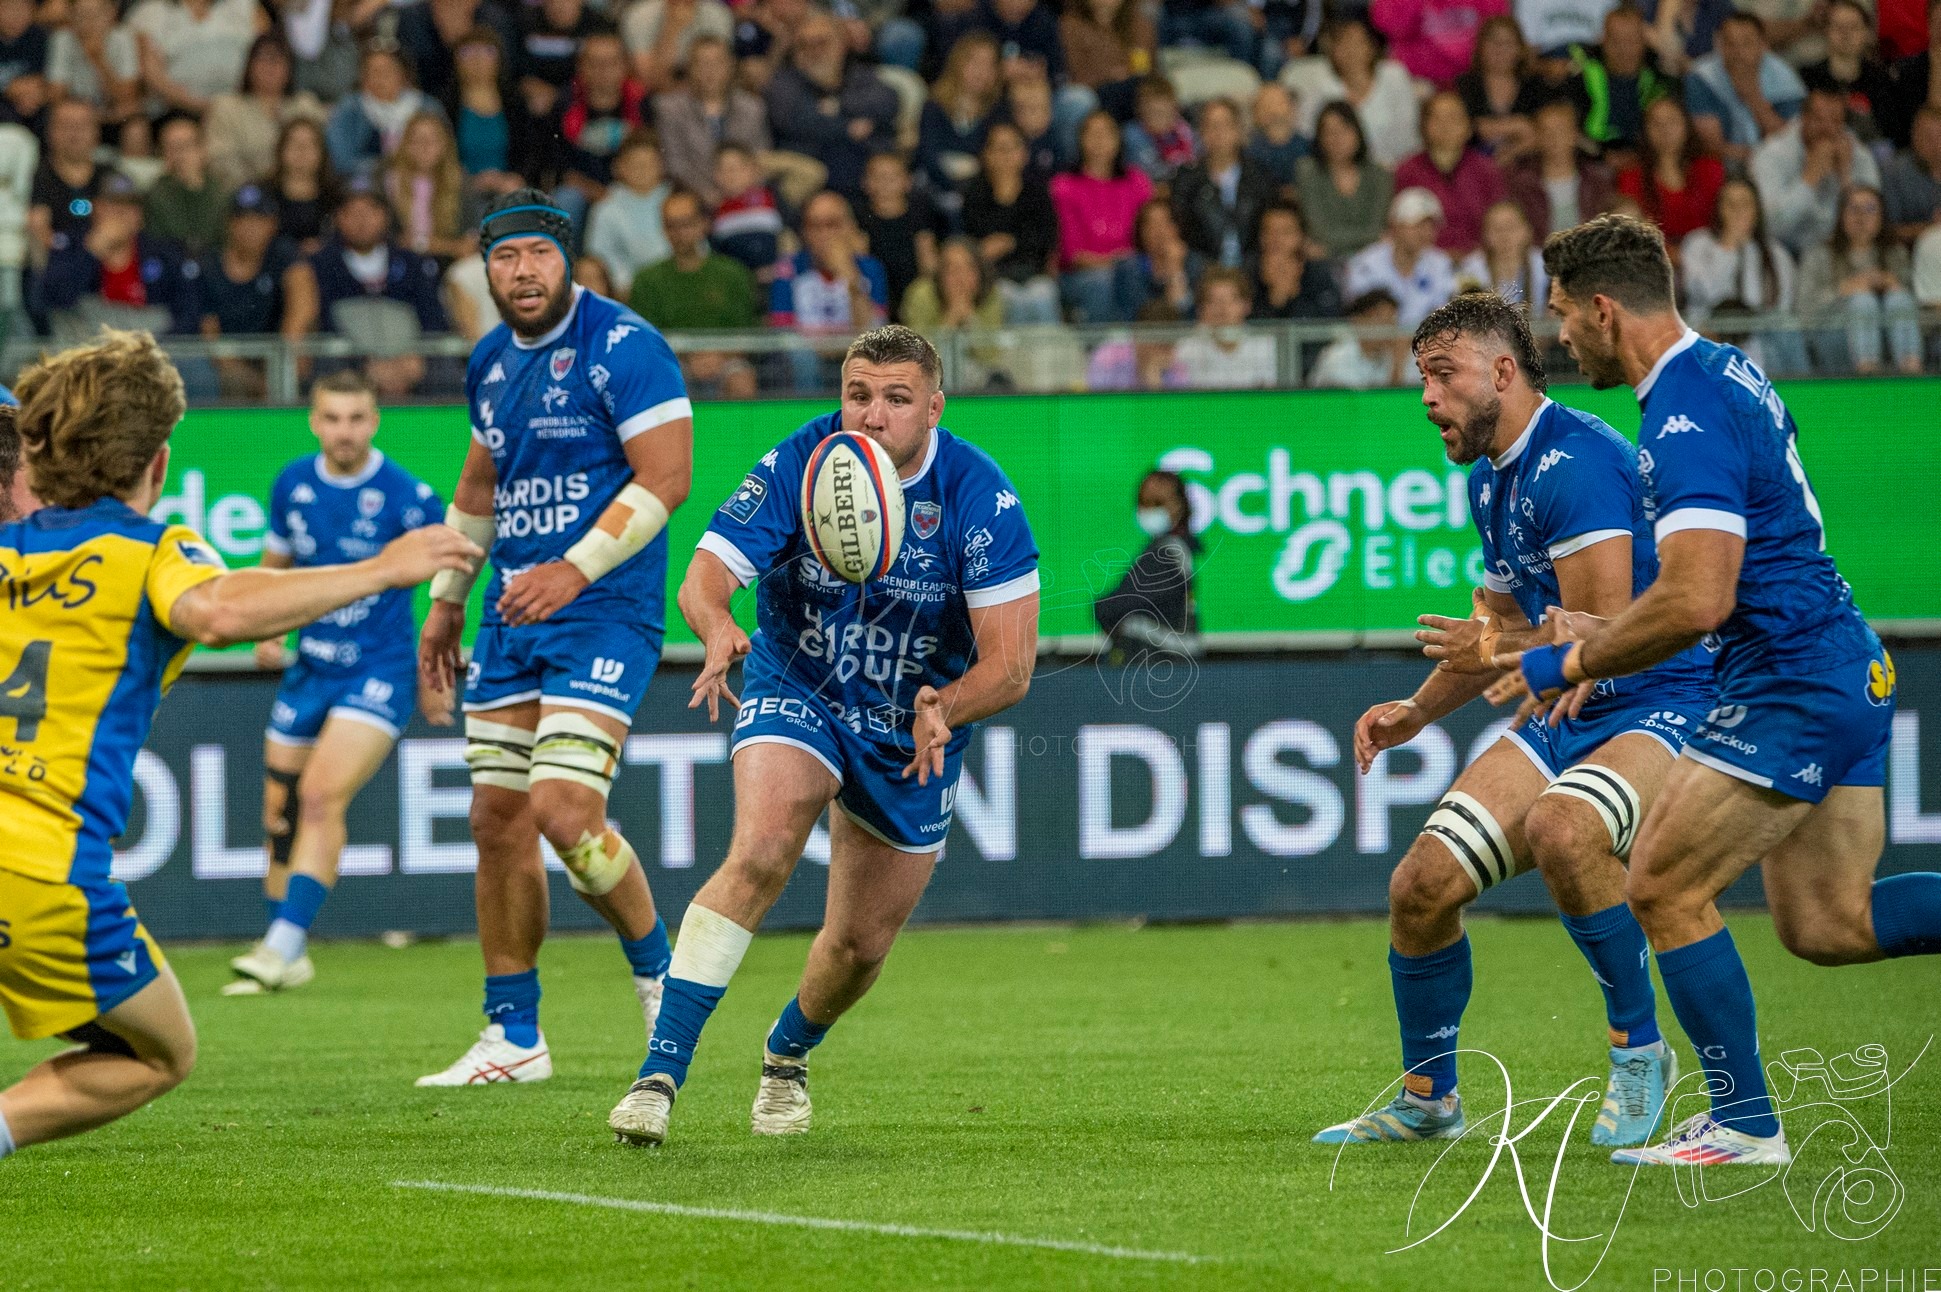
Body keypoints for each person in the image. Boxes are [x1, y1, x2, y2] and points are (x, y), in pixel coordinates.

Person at [1505, 213, 1941, 1167]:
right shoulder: (1720, 370)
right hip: (1838, 662)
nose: (1558, 335)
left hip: (1792, 678)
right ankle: (1741, 1121)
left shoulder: (1682, 410)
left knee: (1661, 883)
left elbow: (1697, 598)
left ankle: (1743, 1123)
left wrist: (1572, 660)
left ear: (1603, 309)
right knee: (1830, 922)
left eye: (1562, 313)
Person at [0, 329, 475, 1161]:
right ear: (159, 463)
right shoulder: (155, 551)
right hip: (39, 867)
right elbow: (220, 610)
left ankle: (284, 939)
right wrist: (382, 568)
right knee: (159, 1052)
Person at [606, 325, 1040, 1147]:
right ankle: (657, 1077)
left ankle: (786, 1056)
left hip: (910, 723)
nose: (871, 415)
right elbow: (705, 576)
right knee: (763, 847)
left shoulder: (980, 497)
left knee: (859, 946)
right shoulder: (801, 461)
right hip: (799, 681)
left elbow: (1012, 667)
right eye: (857, 395)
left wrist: (944, 707)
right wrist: (715, 625)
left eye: (896, 399)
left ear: (934, 408)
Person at [1316, 290, 1710, 1147]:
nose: (1427, 396)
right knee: (1420, 887)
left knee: (1565, 831)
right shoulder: (1489, 478)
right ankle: (1428, 1101)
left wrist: (1496, 645)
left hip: (1660, 699)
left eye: (1442, 374)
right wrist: (1416, 712)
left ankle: (1639, 1051)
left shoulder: (1576, 462)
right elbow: (1497, 628)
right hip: (1567, 707)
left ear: (1501, 372)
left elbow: (1603, 636)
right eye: (1421, 378)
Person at [416, 190, 694, 1086]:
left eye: (538, 253)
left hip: (603, 610)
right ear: (484, 271)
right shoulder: (490, 359)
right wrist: (447, 601)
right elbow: (479, 487)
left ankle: (662, 978)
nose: (523, 271)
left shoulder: (625, 345)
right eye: (505, 258)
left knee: (564, 810)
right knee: (495, 820)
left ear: (567, 261)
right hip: (513, 613)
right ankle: (514, 1036)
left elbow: (668, 476)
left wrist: (573, 569)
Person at [227, 371, 444, 993]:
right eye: (332, 418)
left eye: (355, 418)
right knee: (281, 816)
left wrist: (434, 665)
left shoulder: (409, 496)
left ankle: (280, 946)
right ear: (314, 422)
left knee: (321, 795)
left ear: (374, 422)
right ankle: (286, 951)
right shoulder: (292, 483)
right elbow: (276, 565)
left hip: (379, 670)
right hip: (311, 667)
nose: (344, 431)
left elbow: (446, 588)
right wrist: (267, 629)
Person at [629, 187, 759, 399]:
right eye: (671, 225)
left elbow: (747, 332)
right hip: (672, 362)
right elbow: (646, 340)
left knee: (741, 382)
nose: (679, 233)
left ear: (703, 223)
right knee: (664, 380)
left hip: (728, 361)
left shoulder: (733, 273)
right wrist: (686, 359)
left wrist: (719, 356)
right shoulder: (646, 280)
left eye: (686, 223)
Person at [41, 172, 203, 340]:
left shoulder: (163, 254)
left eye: (129, 206)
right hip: (89, 347)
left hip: (148, 347)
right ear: (97, 208)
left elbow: (189, 313)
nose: (120, 213)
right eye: (112, 204)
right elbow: (52, 299)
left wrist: (152, 345)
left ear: (139, 214)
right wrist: (91, 252)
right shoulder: (70, 246)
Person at [200, 185, 319, 398]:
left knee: (302, 363)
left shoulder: (283, 254)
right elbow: (210, 331)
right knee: (229, 380)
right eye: (242, 219)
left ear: (272, 224)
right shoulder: (210, 264)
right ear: (230, 224)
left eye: (259, 220)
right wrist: (247, 377)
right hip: (231, 365)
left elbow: (303, 308)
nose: (250, 228)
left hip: (277, 358)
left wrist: (281, 363)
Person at [764, 12, 898, 200]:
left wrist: (838, 105)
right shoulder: (784, 82)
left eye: (822, 42)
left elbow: (887, 102)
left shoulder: (859, 73)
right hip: (813, 181)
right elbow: (794, 119)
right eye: (804, 45)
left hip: (866, 179)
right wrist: (847, 127)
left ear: (841, 44)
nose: (814, 51)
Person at [1677, 177, 1803, 375]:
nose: (1737, 211)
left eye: (1745, 203)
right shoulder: (1698, 244)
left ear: (1757, 209)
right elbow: (1700, 293)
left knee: (1785, 333)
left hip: (1761, 341)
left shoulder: (1776, 254)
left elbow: (1782, 309)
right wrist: (1730, 248)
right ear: (1719, 209)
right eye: (1730, 204)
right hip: (1707, 334)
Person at [1797, 183, 1923, 374]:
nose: (1861, 217)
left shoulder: (1896, 254)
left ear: (1882, 217)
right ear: (1841, 216)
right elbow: (1804, 309)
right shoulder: (1818, 255)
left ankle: (1911, 370)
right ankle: (1867, 372)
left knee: (1899, 299)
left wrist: (1893, 285)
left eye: (1870, 209)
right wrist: (1844, 290)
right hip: (1834, 335)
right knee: (1863, 301)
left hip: (1889, 334)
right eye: (1853, 209)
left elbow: (1917, 305)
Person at [1751, 85, 1882, 257]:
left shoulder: (1859, 156)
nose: (1827, 129)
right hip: (1785, 252)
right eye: (1819, 120)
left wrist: (1845, 178)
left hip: (1840, 252)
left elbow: (1872, 223)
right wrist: (1809, 179)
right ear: (1803, 118)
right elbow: (1769, 228)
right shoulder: (1770, 156)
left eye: (1835, 121)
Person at [1050, 109, 1153, 322]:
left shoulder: (1137, 182)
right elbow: (1072, 254)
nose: (1100, 141)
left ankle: (1139, 337)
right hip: (1081, 275)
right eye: (1093, 134)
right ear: (1081, 140)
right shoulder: (1064, 186)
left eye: (1107, 133)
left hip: (1132, 268)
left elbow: (1149, 236)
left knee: (1136, 273)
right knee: (1102, 281)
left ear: (1118, 140)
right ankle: (1103, 342)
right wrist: (1117, 262)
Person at [959, 121, 1061, 323]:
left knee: (1043, 295)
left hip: (1034, 274)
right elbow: (970, 243)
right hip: (993, 276)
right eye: (998, 148)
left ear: (1024, 153)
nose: (1005, 155)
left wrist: (1010, 242)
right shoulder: (974, 195)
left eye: (1011, 147)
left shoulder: (1037, 193)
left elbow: (1047, 237)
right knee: (1006, 297)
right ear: (986, 154)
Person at [1284, 18, 1422, 167]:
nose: (1351, 50)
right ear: (1333, 51)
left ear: (1371, 47)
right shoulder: (1321, 86)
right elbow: (1306, 132)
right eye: (1343, 44)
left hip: (1393, 166)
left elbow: (1409, 132)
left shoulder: (1394, 76)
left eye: (1357, 43)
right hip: (1338, 171)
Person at [653, 35, 772, 207]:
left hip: (745, 199)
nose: (709, 71)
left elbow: (761, 156)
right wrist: (707, 194)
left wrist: (739, 194)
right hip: (694, 200)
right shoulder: (670, 109)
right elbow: (675, 163)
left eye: (717, 63)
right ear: (689, 68)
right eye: (701, 63)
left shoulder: (752, 107)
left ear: (731, 66)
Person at [1094, 468, 1198, 658]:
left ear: (1178, 506)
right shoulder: (1160, 547)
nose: (1148, 510)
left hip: (1166, 661)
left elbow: (1117, 605)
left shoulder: (1171, 553)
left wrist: (1103, 608)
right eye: (1143, 502)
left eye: (1156, 503)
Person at [204, 34, 328, 193]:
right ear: (249, 65)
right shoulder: (226, 107)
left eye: (278, 60)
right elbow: (220, 160)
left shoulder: (305, 105)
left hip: (302, 192)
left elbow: (324, 154)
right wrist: (263, 187)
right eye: (262, 58)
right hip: (245, 194)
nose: (270, 66)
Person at [1683, 12, 1805, 167]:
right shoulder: (1702, 77)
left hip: (1776, 165)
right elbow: (1711, 145)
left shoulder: (1783, 77)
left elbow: (1791, 142)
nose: (1738, 52)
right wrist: (1758, 158)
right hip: (1723, 166)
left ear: (1763, 45)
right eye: (1730, 43)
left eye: (1746, 43)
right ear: (1719, 45)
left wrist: (1753, 96)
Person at [1395, 91, 1508, 254]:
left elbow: (1499, 222)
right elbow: (1398, 227)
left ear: (1469, 127)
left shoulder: (1486, 170)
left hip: (1478, 260)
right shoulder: (1407, 171)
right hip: (1423, 260)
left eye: (1453, 118)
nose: (1445, 126)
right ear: (1423, 126)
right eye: (1437, 118)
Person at [1171, 98, 1277, 268]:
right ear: (1201, 133)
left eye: (1225, 125)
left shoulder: (1259, 176)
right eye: (1211, 126)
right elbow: (1181, 225)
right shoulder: (1187, 179)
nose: (1218, 133)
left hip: (1253, 262)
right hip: (1203, 262)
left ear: (1239, 130)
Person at [327, 44, 447, 179]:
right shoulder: (349, 109)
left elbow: (445, 154)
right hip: (365, 183)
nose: (380, 78)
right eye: (373, 72)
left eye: (387, 70)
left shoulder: (428, 107)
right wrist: (384, 167)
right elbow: (342, 161)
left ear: (403, 74)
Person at [1345, 186, 1458, 328]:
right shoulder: (1366, 264)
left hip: (1427, 339)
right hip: (1378, 339)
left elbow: (1445, 315)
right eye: (1418, 225)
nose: (1425, 232)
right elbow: (1358, 318)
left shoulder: (1441, 264)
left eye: (1431, 226)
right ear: (1395, 225)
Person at [1615, 96, 1725, 244]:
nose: (1665, 130)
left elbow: (1723, 222)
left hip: (1708, 253)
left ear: (1686, 124)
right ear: (1645, 130)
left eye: (1672, 121)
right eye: (1656, 123)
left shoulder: (1710, 169)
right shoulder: (1631, 177)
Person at [1502, 97, 1615, 238]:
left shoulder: (1597, 181)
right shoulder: (1521, 183)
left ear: (1574, 134)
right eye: (1547, 131)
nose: (1554, 138)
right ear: (1537, 136)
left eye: (1561, 130)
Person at [1296, 101, 1395, 258]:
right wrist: (1371, 239)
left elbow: (1376, 228)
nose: (1337, 138)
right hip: (1325, 264)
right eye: (1329, 132)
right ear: (1319, 137)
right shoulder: (1308, 172)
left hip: (1370, 260)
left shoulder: (1379, 175)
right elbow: (1319, 231)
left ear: (1357, 132)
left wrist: (1329, 249)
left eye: (1344, 129)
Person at [1569, 3, 1671, 152]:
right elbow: (1571, 131)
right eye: (1615, 41)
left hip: (1646, 159)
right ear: (1603, 40)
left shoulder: (1660, 79)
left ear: (1644, 42)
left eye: (1631, 41)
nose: (1623, 50)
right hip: (1592, 159)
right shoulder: (1580, 77)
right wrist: (1602, 154)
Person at [857, 150, 945, 323]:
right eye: (878, 177)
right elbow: (861, 265)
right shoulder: (859, 218)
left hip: (912, 296)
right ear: (865, 182)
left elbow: (928, 265)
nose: (885, 183)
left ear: (907, 181)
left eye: (892, 177)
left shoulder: (921, 216)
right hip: (875, 299)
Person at [128, 0, 257, 117]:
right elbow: (152, 73)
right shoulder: (152, 11)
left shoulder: (243, 5)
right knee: (180, 133)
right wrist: (201, 106)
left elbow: (264, 51)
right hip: (178, 109)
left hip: (242, 105)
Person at [917, 32, 1002, 202]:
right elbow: (928, 154)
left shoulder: (997, 112)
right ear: (958, 63)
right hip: (936, 188)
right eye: (975, 62)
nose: (981, 71)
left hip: (977, 193)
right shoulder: (934, 106)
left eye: (989, 64)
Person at [585, 129, 672, 290]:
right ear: (619, 167)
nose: (643, 171)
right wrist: (628, 283)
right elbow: (600, 256)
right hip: (629, 289)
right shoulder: (606, 209)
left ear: (662, 165)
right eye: (636, 165)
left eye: (650, 164)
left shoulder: (676, 200)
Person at [1800, 0, 1892, 144]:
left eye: (1853, 27)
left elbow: (1890, 133)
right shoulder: (1807, 77)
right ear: (1826, 30)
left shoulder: (1881, 80)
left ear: (1867, 32)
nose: (1845, 34)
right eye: (1838, 26)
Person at [1171, 267, 1278, 388]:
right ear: (1200, 308)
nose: (1223, 308)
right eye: (1213, 301)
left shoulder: (1265, 347)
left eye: (1231, 300)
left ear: (1247, 305)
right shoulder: (1185, 350)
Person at [1455, 14, 1544, 158]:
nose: (1500, 50)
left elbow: (1542, 132)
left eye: (1508, 43)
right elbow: (1471, 128)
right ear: (1480, 47)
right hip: (1472, 162)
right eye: (1493, 41)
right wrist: (1519, 125)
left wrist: (1509, 153)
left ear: (1520, 50)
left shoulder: (1534, 85)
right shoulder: (1465, 84)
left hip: (1526, 165)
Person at [144, 115, 228, 258]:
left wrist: (195, 185)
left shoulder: (223, 190)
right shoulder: (155, 193)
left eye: (186, 146)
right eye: (172, 147)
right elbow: (174, 238)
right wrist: (190, 186)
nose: (180, 155)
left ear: (202, 149)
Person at [45, 0, 140, 125]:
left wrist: (98, 60)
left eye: (96, 15)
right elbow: (55, 96)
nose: (89, 22)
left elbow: (127, 96)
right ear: (70, 15)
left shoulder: (123, 38)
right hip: (75, 113)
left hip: (111, 114)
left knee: (134, 121)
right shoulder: (62, 38)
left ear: (111, 13)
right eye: (81, 15)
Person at [1060, 0, 1155, 124]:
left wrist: (1127, 73)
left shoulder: (1139, 24)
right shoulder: (1071, 25)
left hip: (1133, 87)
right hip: (1095, 91)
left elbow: (1147, 68)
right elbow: (1073, 73)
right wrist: (1109, 75)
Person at [1251, 201, 1341, 318]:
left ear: (1301, 236)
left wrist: (1293, 293)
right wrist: (1277, 298)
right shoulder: (1249, 273)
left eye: (1285, 232)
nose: (1275, 239)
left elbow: (1329, 319)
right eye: (1268, 231)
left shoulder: (1319, 273)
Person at [1309, 286, 1414, 386]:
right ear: (1358, 320)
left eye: (1391, 319)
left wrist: (1398, 365)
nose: (1387, 326)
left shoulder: (1396, 355)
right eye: (1379, 317)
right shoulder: (1337, 357)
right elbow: (1357, 396)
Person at [1456, 198, 1547, 309]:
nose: (1504, 236)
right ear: (1485, 235)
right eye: (1497, 229)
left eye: (1511, 227)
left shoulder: (1544, 265)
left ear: (1527, 231)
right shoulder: (1471, 269)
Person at [271, 118, 344, 255]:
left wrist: (324, 246)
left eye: (310, 144)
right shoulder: (264, 195)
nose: (301, 151)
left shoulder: (336, 197)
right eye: (294, 143)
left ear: (322, 153)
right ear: (281, 149)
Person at [710, 143, 783, 274]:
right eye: (724, 169)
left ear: (753, 169)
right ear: (715, 175)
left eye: (737, 168)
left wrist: (765, 161)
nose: (731, 175)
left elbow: (811, 173)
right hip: (736, 278)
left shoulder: (772, 197)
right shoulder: (713, 211)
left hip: (776, 275)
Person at [1120, 74, 1196, 183]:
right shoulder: (1131, 136)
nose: (1160, 122)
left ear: (1176, 109)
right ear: (1140, 110)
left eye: (1164, 114)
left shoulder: (1185, 131)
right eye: (1153, 114)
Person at [1885, 107, 1941, 237]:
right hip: (1911, 247)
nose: (1934, 144)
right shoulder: (1894, 172)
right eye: (1927, 136)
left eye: (1938, 136)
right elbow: (1889, 231)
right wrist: (1931, 228)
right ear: (1914, 135)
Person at [1245, 82, 1309, 189]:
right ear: (1255, 113)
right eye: (1267, 105)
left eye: (1279, 103)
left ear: (1293, 109)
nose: (1274, 111)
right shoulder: (1248, 152)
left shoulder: (1310, 148)